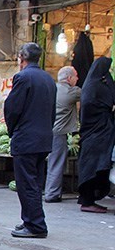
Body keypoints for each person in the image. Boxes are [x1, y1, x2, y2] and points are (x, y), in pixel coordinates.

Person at [4, 43, 57, 237]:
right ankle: (30, 220)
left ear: (21, 58)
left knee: (27, 184)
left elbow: (13, 108)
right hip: (43, 138)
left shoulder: (23, 77)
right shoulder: (48, 79)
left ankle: (35, 225)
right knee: (34, 183)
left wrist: (13, 130)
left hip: (27, 139)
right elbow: (52, 111)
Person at [75, 56, 115, 213]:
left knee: (92, 167)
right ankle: (87, 201)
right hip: (98, 135)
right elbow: (112, 97)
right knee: (94, 167)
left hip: (92, 134)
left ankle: (89, 200)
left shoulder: (90, 85)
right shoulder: (98, 87)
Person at [44, 66, 81, 203]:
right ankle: (52, 194)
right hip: (58, 134)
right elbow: (90, 93)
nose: (78, 79)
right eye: (76, 76)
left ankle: (49, 190)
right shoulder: (72, 92)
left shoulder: (52, 89)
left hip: (47, 130)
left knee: (51, 163)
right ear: (69, 78)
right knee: (56, 163)